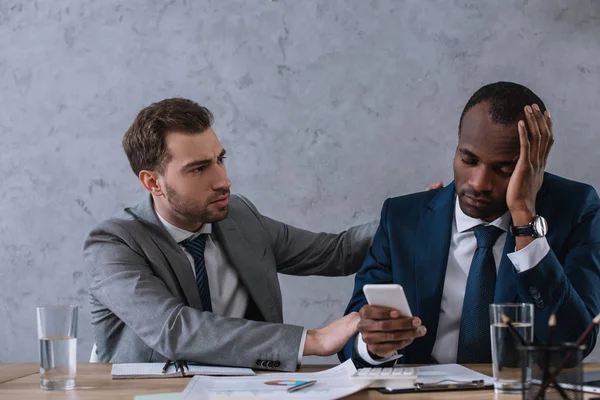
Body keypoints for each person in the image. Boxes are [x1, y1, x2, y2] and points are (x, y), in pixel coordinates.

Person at [84, 98, 382, 371]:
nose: (223, 181)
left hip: (252, 389)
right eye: (198, 169)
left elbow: (338, 252)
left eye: (220, 160)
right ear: (153, 182)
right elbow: (174, 329)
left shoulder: (239, 217)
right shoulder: (113, 244)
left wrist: (422, 211)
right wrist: (313, 340)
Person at [340, 82, 600, 366]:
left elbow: (574, 344)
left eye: (505, 169)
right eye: (469, 159)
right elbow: (350, 340)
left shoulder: (575, 209)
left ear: (535, 162)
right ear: (458, 138)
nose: (479, 183)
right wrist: (373, 345)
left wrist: (525, 219)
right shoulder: (403, 218)